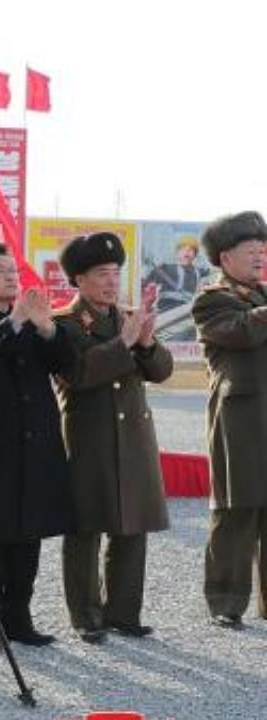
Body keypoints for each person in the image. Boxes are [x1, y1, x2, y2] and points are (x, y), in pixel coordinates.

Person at [0, 243, 75, 651]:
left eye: (13, 270)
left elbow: (65, 363)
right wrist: (14, 324)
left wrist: (47, 329)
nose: (11, 276)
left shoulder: (30, 316)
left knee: (29, 533)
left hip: (36, 440)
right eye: (0, 270)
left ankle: (19, 618)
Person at [52, 232, 172, 644]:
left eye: (115, 272)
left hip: (133, 436)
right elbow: (79, 374)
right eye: (101, 273)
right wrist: (123, 342)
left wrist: (148, 341)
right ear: (79, 279)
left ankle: (124, 612)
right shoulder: (63, 323)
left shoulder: (127, 317)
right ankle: (86, 615)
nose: (111, 281)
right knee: (86, 527)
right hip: (90, 438)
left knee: (131, 524)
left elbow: (161, 371)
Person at [191, 210, 267, 630]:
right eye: (250, 250)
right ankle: (225, 599)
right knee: (236, 509)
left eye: (262, 249)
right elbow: (241, 332)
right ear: (225, 257)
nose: (260, 256)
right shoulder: (212, 298)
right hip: (238, 417)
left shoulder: (260, 296)